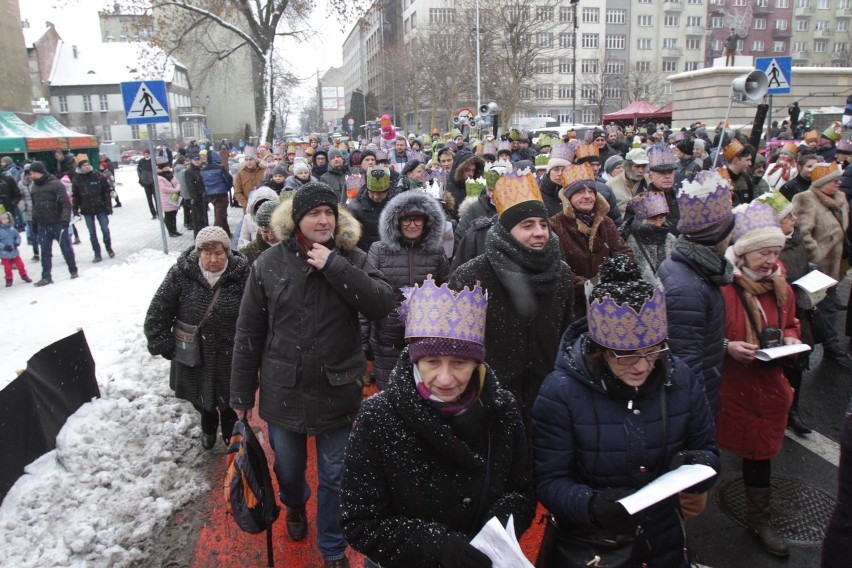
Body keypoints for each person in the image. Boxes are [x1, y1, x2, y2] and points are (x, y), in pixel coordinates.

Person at [230, 183, 394, 568]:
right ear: (297, 220)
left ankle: (332, 547)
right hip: (282, 388)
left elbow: (382, 303)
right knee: (287, 472)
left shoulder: (351, 257)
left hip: (338, 388)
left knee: (336, 475)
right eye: (313, 214)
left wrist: (334, 266)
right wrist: (240, 396)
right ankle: (294, 503)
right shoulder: (268, 264)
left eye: (329, 214)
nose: (323, 220)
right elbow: (249, 331)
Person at [532, 254, 720, 568]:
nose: (642, 366)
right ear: (601, 352)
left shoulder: (680, 378)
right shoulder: (561, 393)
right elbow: (550, 480)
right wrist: (591, 505)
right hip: (595, 545)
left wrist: (697, 467)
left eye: (652, 352)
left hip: (664, 538)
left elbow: (707, 448)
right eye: (626, 356)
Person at [340, 276, 536, 568]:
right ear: (415, 361)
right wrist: (438, 548)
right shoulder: (378, 418)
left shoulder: (503, 410)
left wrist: (492, 534)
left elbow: (522, 490)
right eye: (432, 361)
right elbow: (360, 521)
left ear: (476, 363)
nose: (445, 379)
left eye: (459, 363)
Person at [450, 170, 573, 423]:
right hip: (488, 407)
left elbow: (566, 336)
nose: (539, 232)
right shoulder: (472, 276)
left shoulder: (561, 274)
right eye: (527, 225)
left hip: (547, 404)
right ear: (507, 231)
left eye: (543, 224)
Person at [718, 200, 800, 557]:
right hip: (726, 386)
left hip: (766, 386)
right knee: (702, 450)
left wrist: (793, 337)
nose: (771, 261)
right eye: (764, 253)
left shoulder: (782, 287)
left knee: (759, 454)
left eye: (775, 252)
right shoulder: (721, 288)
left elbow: (791, 323)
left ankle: (759, 518)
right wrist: (727, 346)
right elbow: (697, 335)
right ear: (744, 255)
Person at [144, 227, 249, 450]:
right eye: (207, 253)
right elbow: (158, 310)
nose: (213, 259)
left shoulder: (242, 275)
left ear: (227, 252)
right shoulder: (181, 274)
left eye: (219, 253)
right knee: (201, 399)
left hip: (230, 354)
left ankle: (231, 436)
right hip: (194, 354)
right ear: (198, 252)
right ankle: (208, 424)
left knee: (230, 401)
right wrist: (162, 342)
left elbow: (258, 312)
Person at [658, 170, 735, 418]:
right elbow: (685, 364)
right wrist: (698, 419)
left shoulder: (694, 270)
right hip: (695, 406)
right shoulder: (688, 288)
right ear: (719, 235)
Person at [366, 190, 450, 390]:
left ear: (426, 222)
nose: (412, 224)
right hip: (387, 339)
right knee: (390, 394)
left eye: (417, 219)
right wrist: (362, 341)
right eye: (407, 219)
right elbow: (367, 297)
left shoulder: (436, 252)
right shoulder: (378, 250)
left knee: (423, 393)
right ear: (397, 221)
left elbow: (447, 292)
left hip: (425, 337)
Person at [759, 190, 814, 434]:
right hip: (774, 317)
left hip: (800, 313)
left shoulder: (798, 239)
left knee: (797, 365)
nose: (794, 218)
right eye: (788, 215)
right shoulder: (764, 248)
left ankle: (793, 411)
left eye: (793, 214)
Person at [550, 163, 633, 318]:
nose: (587, 196)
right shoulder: (555, 225)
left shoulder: (606, 222)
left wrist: (611, 279)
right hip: (573, 308)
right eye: (580, 192)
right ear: (568, 197)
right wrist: (590, 286)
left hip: (608, 305)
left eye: (591, 191)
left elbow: (624, 252)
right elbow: (557, 268)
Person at [792, 163, 851, 366]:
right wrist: (816, 255)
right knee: (816, 311)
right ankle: (823, 348)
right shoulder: (806, 200)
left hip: (834, 268)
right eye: (834, 180)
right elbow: (802, 233)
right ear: (822, 182)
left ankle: (828, 346)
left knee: (827, 309)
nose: (839, 183)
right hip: (817, 270)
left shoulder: (840, 200)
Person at [29, 161, 77, 287]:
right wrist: (34, 224)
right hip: (42, 224)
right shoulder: (33, 187)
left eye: (33, 173)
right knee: (44, 252)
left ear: (40, 172)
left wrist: (65, 220)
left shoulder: (55, 184)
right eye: (31, 173)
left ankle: (73, 270)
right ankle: (46, 277)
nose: (31, 175)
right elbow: (35, 207)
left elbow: (65, 203)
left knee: (66, 249)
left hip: (57, 223)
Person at [623, 192, 676, 282]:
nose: (658, 224)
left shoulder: (670, 238)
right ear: (642, 219)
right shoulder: (631, 239)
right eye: (652, 219)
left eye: (661, 218)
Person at [71, 154, 114, 261]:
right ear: (80, 167)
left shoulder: (98, 176)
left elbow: (106, 191)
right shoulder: (77, 180)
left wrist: (109, 206)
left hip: (101, 208)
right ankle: (97, 253)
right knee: (92, 233)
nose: (87, 167)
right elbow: (75, 196)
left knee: (105, 229)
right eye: (84, 165)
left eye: (88, 164)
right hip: (87, 209)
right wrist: (75, 209)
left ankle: (109, 248)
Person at [345, 167, 395, 253]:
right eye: (372, 193)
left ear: (387, 191)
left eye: (380, 194)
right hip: (365, 253)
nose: (376, 197)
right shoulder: (355, 207)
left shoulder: (395, 205)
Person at [607, 148, 649, 217]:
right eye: (637, 166)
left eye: (643, 167)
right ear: (627, 166)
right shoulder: (611, 184)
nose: (641, 170)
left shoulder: (649, 181)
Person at [200, 150, 234, 237]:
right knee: (220, 215)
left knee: (221, 213)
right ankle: (214, 235)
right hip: (221, 193)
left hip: (210, 194)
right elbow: (229, 178)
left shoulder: (203, 169)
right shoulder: (220, 167)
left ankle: (226, 231)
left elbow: (201, 183)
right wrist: (227, 187)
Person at [238, 200, 279, 267]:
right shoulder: (249, 252)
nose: (270, 237)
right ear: (259, 229)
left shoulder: (294, 246)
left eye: (275, 231)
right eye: (265, 232)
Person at [0, 212, 31, 286]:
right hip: (5, 253)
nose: (5, 220)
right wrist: (4, 247)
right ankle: (9, 279)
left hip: (14, 252)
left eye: (6, 219)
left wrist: (17, 242)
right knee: (7, 268)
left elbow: (17, 236)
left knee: (20, 265)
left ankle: (24, 275)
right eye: (3, 219)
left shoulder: (12, 228)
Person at [156, 157, 183, 237]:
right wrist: (175, 190)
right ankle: (171, 231)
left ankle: (175, 230)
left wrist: (177, 188)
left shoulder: (171, 175)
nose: (168, 167)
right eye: (166, 166)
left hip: (174, 198)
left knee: (174, 215)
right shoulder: (159, 177)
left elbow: (177, 183)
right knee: (168, 216)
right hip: (166, 199)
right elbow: (163, 189)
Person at [17, 164, 38, 261]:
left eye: (32, 173)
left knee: (43, 232)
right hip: (28, 211)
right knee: (33, 234)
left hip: (40, 210)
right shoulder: (21, 183)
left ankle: (47, 251)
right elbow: (19, 197)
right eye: (28, 174)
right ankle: (36, 252)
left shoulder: (37, 182)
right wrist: (23, 206)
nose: (30, 176)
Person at [137, 149, 157, 219]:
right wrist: (141, 180)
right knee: (149, 200)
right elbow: (139, 172)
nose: (146, 155)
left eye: (148, 153)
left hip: (154, 183)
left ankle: (159, 212)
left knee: (156, 198)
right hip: (146, 183)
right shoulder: (141, 161)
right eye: (145, 154)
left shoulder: (154, 161)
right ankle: (153, 213)